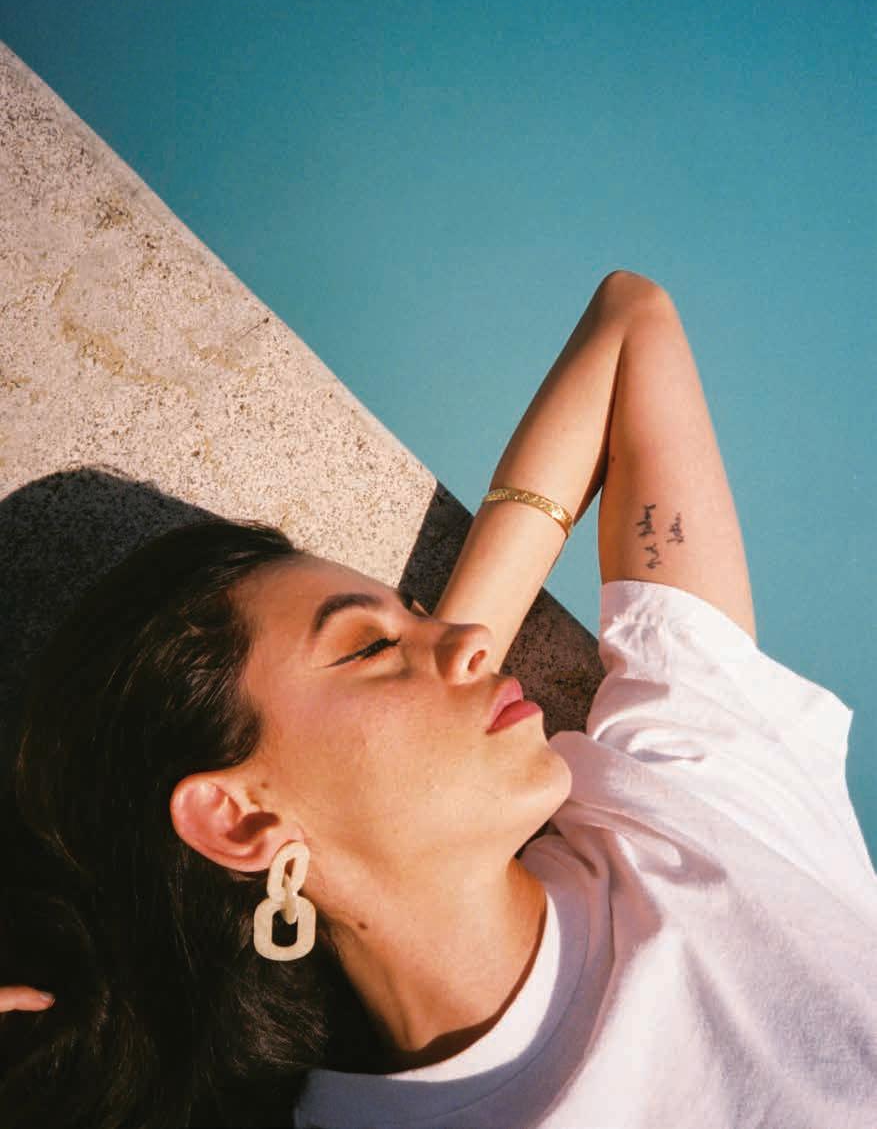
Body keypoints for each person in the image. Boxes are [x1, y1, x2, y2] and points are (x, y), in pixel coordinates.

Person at [1, 271, 874, 1128]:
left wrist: (433, 655)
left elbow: (631, 319)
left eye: (419, 616)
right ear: (237, 820)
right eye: (369, 646)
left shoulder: (691, 808)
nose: (472, 641)